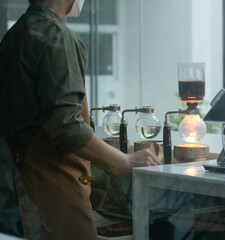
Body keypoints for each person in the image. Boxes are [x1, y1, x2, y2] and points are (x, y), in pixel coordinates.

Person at [0, 0, 160, 239]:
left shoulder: (14, 36)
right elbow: (67, 127)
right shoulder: (57, 37)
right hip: (54, 200)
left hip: (15, 198)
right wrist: (124, 161)